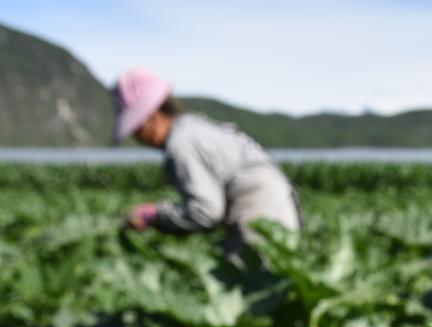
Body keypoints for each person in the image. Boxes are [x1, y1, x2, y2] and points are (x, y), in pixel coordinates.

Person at [112, 67, 301, 261]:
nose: (137, 138)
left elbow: (206, 211)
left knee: (250, 279)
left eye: (136, 130)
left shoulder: (182, 143)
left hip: (258, 204)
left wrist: (155, 215)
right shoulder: (193, 128)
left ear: (151, 118)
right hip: (275, 200)